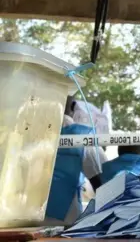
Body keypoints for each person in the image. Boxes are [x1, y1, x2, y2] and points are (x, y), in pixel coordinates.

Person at [44, 96, 106, 225]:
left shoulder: (31, 130)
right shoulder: (82, 135)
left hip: (27, 213)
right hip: (65, 215)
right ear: (73, 108)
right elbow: (97, 181)